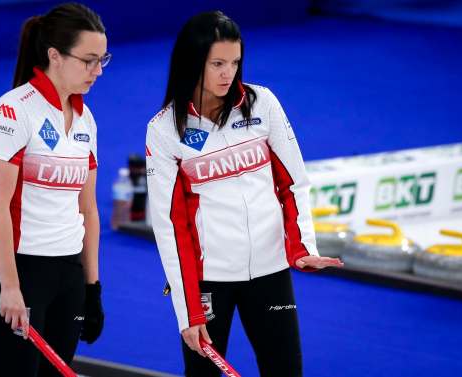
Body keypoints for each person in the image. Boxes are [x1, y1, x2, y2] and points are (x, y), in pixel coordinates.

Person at [146, 10, 344, 377]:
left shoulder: (262, 103)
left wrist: (302, 249)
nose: (228, 73)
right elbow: (170, 226)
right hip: (209, 282)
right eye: (217, 63)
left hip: (270, 271)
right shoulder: (163, 130)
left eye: (234, 62)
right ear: (193, 62)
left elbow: (293, 183)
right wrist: (188, 311)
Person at [0, 3, 109, 376]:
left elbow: (88, 209)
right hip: (17, 270)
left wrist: (92, 286)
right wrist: (10, 287)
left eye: (103, 60)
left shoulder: (86, 119)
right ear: (55, 56)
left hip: (67, 273)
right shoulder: (11, 113)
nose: (98, 71)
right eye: (89, 60)